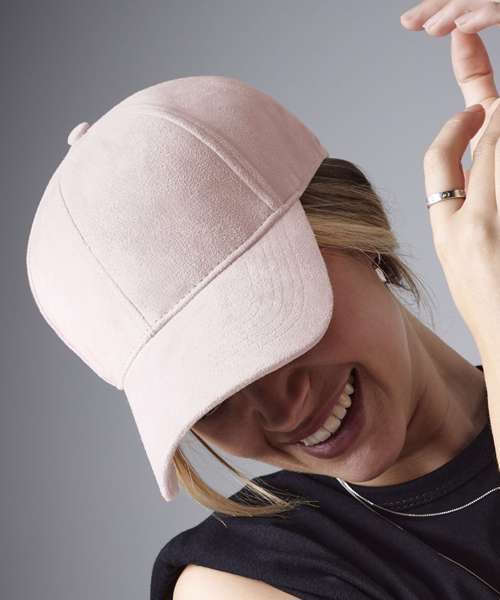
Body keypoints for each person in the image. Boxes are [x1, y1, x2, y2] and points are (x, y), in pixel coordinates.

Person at [25, 5, 500, 600]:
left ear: (356, 224)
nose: (280, 410)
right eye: (212, 396)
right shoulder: (238, 584)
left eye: (274, 328)